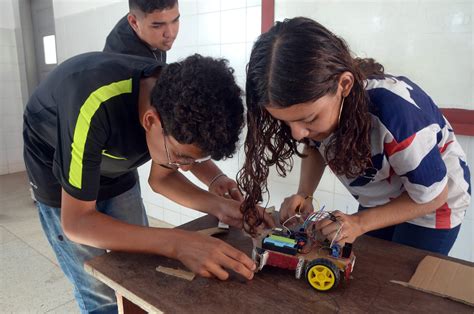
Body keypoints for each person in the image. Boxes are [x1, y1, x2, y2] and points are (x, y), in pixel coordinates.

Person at [23, 53, 265, 313]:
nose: (186, 168)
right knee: (98, 288)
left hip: (112, 161)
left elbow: (162, 179)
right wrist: (178, 242)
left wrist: (219, 205)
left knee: (138, 271)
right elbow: (77, 222)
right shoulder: (94, 104)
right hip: (55, 167)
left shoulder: (174, 100)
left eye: (193, 160)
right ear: (150, 121)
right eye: (182, 158)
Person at [238, 17, 471, 255]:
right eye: (286, 122)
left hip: (434, 204)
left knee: (403, 273)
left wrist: (360, 222)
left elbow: (434, 196)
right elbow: (314, 145)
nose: (297, 134)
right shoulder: (317, 109)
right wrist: (304, 193)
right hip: (382, 196)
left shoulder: (397, 117)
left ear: (344, 85)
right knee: (369, 263)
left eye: (308, 119)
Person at [104, 0, 243, 203]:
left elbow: (180, 133)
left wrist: (215, 178)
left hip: (120, 171)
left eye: (175, 20)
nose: (170, 33)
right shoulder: (126, 66)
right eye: (158, 25)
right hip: (68, 176)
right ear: (134, 22)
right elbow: (161, 175)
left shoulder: (152, 40)